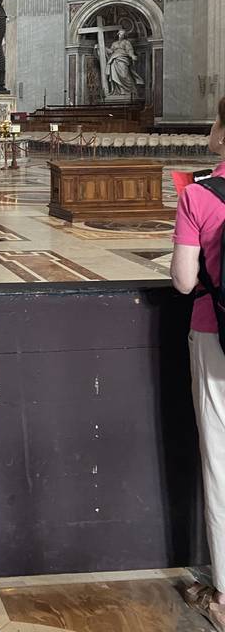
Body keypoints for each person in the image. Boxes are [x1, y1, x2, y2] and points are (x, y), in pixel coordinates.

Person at [171, 101, 225, 632]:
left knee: (221, 463)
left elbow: (185, 282)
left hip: (217, 334)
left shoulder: (199, 193)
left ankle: (224, 597)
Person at [106, 29, 144, 97]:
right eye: (120, 34)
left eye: (123, 34)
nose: (121, 35)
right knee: (115, 76)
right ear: (118, 34)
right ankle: (119, 91)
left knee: (124, 75)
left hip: (123, 59)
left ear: (124, 35)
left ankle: (130, 90)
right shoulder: (114, 43)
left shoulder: (126, 42)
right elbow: (110, 51)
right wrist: (103, 48)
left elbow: (130, 50)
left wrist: (132, 56)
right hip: (114, 60)